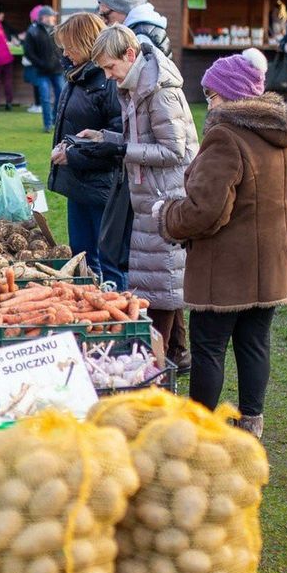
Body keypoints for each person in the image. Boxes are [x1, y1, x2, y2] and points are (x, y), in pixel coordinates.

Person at [152, 52, 287, 439]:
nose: (209, 102)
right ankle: (251, 422)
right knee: (254, 342)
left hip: (227, 266)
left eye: (213, 93)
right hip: (275, 260)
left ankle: (200, 429)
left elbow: (206, 211)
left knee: (209, 347)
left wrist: (166, 215)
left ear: (233, 94)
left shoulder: (225, 135)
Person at [76, 24, 198, 356]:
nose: (108, 75)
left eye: (110, 67)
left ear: (130, 56)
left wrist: (120, 151)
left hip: (166, 200)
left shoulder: (160, 91)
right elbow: (142, 142)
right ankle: (174, 355)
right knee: (160, 282)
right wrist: (105, 138)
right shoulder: (135, 86)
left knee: (161, 286)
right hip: (150, 199)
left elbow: (175, 151)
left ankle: (157, 362)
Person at [46, 11, 127, 288]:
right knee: (81, 258)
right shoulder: (78, 75)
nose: (65, 52)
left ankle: (118, 319)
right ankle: (86, 315)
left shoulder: (107, 83)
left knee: (108, 262)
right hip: (78, 184)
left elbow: (118, 140)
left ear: (85, 43)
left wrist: (73, 155)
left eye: (69, 45)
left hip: (101, 187)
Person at [97, 0, 173, 57]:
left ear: (122, 8)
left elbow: (147, 69)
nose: (104, 20)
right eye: (101, 15)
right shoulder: (139, 29)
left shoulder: (141, 36)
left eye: (105, 14)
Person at [23, 4, 65, 132]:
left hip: (57, 70)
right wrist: (40, 64)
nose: (53, 18)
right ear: (44, 17)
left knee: (61, 97)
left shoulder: (57, 30)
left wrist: (61, 60)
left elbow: (62, 47)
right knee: (45, 99)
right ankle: (47, 125)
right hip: (41, 71)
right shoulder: (32, 31)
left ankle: (54, 121)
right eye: (52, 16)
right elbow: (29, 52)